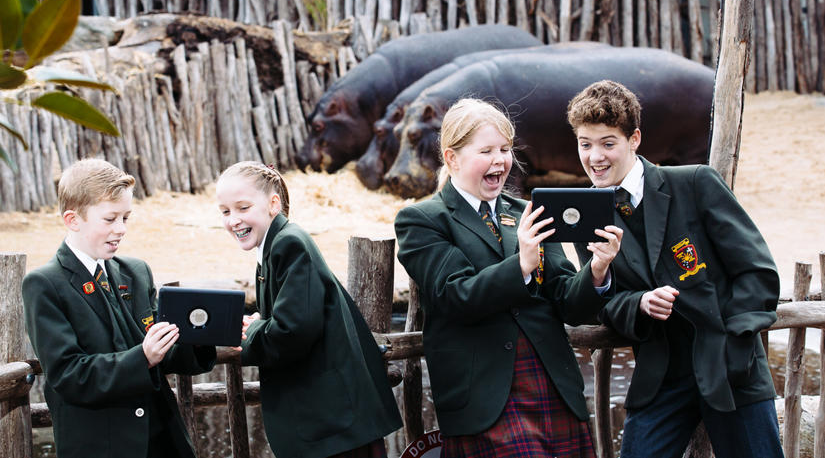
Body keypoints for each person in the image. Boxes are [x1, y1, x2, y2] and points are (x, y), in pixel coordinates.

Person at [394, 98, 623, 457]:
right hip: (484, 399)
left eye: (505, 149)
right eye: (486, 150)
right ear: (452, 158)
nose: (500, 160)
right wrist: (522, 264)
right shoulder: (422, 220)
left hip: (551, 386)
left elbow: (567, 302)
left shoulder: (527, 212)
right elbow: (456, 296)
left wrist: (596, 271)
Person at [568, 80, 783, 458]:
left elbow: (757, 271)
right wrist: (640, 303)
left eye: (607, 143)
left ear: (634, 139)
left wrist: (736, 343)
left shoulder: (695, 183)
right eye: (585, 144)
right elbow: (606, 305)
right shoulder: (585, 215)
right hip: (660, 378)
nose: (594, 157)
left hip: (731, 369)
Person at [22, 158, 216, 458]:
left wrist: (203, 334)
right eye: (110, 219)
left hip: (163, 440)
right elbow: (69, 375)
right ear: (73, 220)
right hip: (101, 445)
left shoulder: (136, 272)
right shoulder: (44, 284)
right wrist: (143, 357)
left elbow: (163, 354)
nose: (121, 228)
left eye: (126, 218)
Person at [216, 161, 402, 458]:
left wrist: (253, 331)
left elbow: (293, 331)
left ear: (273, 204)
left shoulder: (288, 244)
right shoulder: (273, 246)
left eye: (243, 208)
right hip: (331, 421)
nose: (233, 220)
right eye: (225, 211)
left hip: (334, 421)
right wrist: (263, 322)